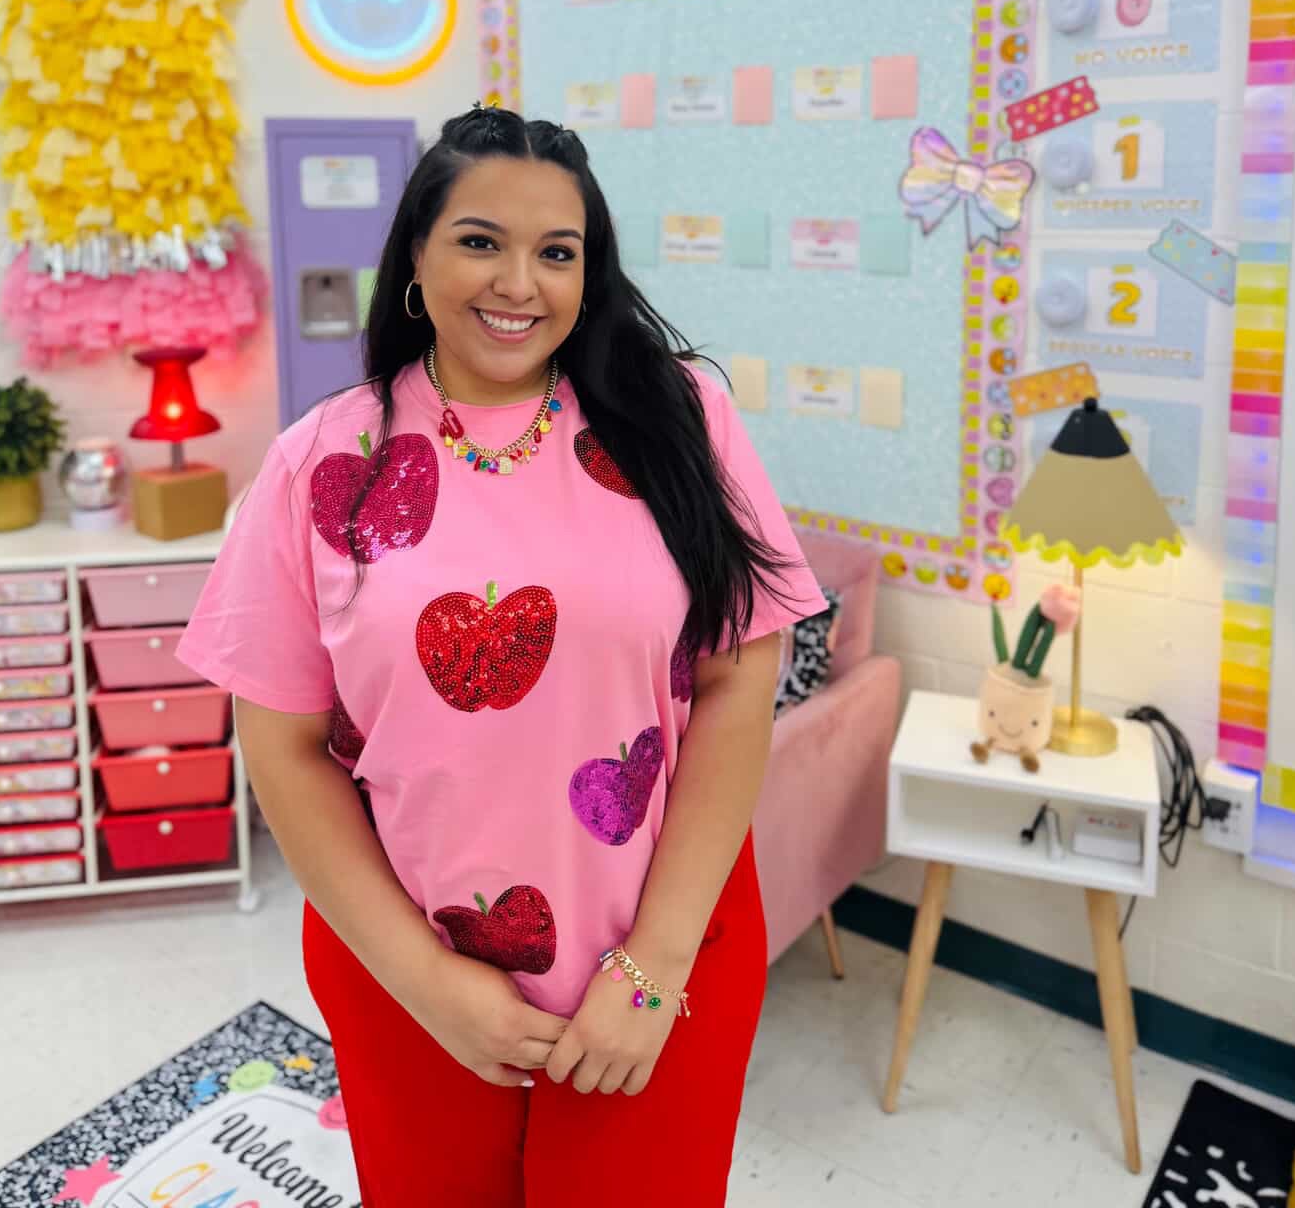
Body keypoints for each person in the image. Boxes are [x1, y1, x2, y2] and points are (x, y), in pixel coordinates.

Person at [178, 105, 824, 1206]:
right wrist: (427, 981)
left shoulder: (680, 418)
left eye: (557, 252)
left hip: (665, 948)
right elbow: (283, 749)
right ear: (416, 258)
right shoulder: (321, 462)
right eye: (481, 240)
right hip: (406, 965)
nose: (519, 282)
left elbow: (739, 675)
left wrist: (654, 965)